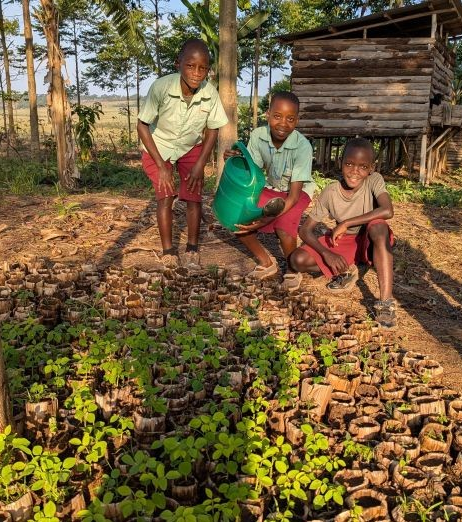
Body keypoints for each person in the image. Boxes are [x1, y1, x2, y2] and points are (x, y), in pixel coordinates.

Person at [288, 138, 397, 328]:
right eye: (349, 164)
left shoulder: (374, 181)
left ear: (371, 168)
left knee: (378, 226)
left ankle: (385, 304)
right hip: (347, 241)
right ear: (340, 162)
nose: (355, 171)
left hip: (371, 240)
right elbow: (305, 230)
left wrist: (346, 223)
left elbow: (387, 210)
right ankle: (349, 268)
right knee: (297, 260)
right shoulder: (330, 191)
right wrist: (326, 253)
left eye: (363, 166)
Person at [137, 39, 228, 268]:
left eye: (203, 68)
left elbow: (213, 129)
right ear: (179, 64)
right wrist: (161, 167)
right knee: (166, 195)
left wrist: (200, 164)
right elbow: (142, 125)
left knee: (193, 195)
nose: (197, 73)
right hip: (160, 146)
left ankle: (192, 248)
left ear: (208, 69)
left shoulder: (210, 93)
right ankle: (168, 251)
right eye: (191, 66)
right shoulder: (161, 87)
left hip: (190, 146)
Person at [223, 91, 314, 287]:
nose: (283, 123)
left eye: (290, 119)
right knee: (239, 217)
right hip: (271, 187)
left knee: (284, 223)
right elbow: (253, 174)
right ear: (268, 115)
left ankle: (291, 269)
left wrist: (264, 219)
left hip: (297, 192)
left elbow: (294, 196)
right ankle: (266, 262)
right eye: (277, 116)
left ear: (297, 120)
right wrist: (234, 160)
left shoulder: (303, 147)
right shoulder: (258, 136)